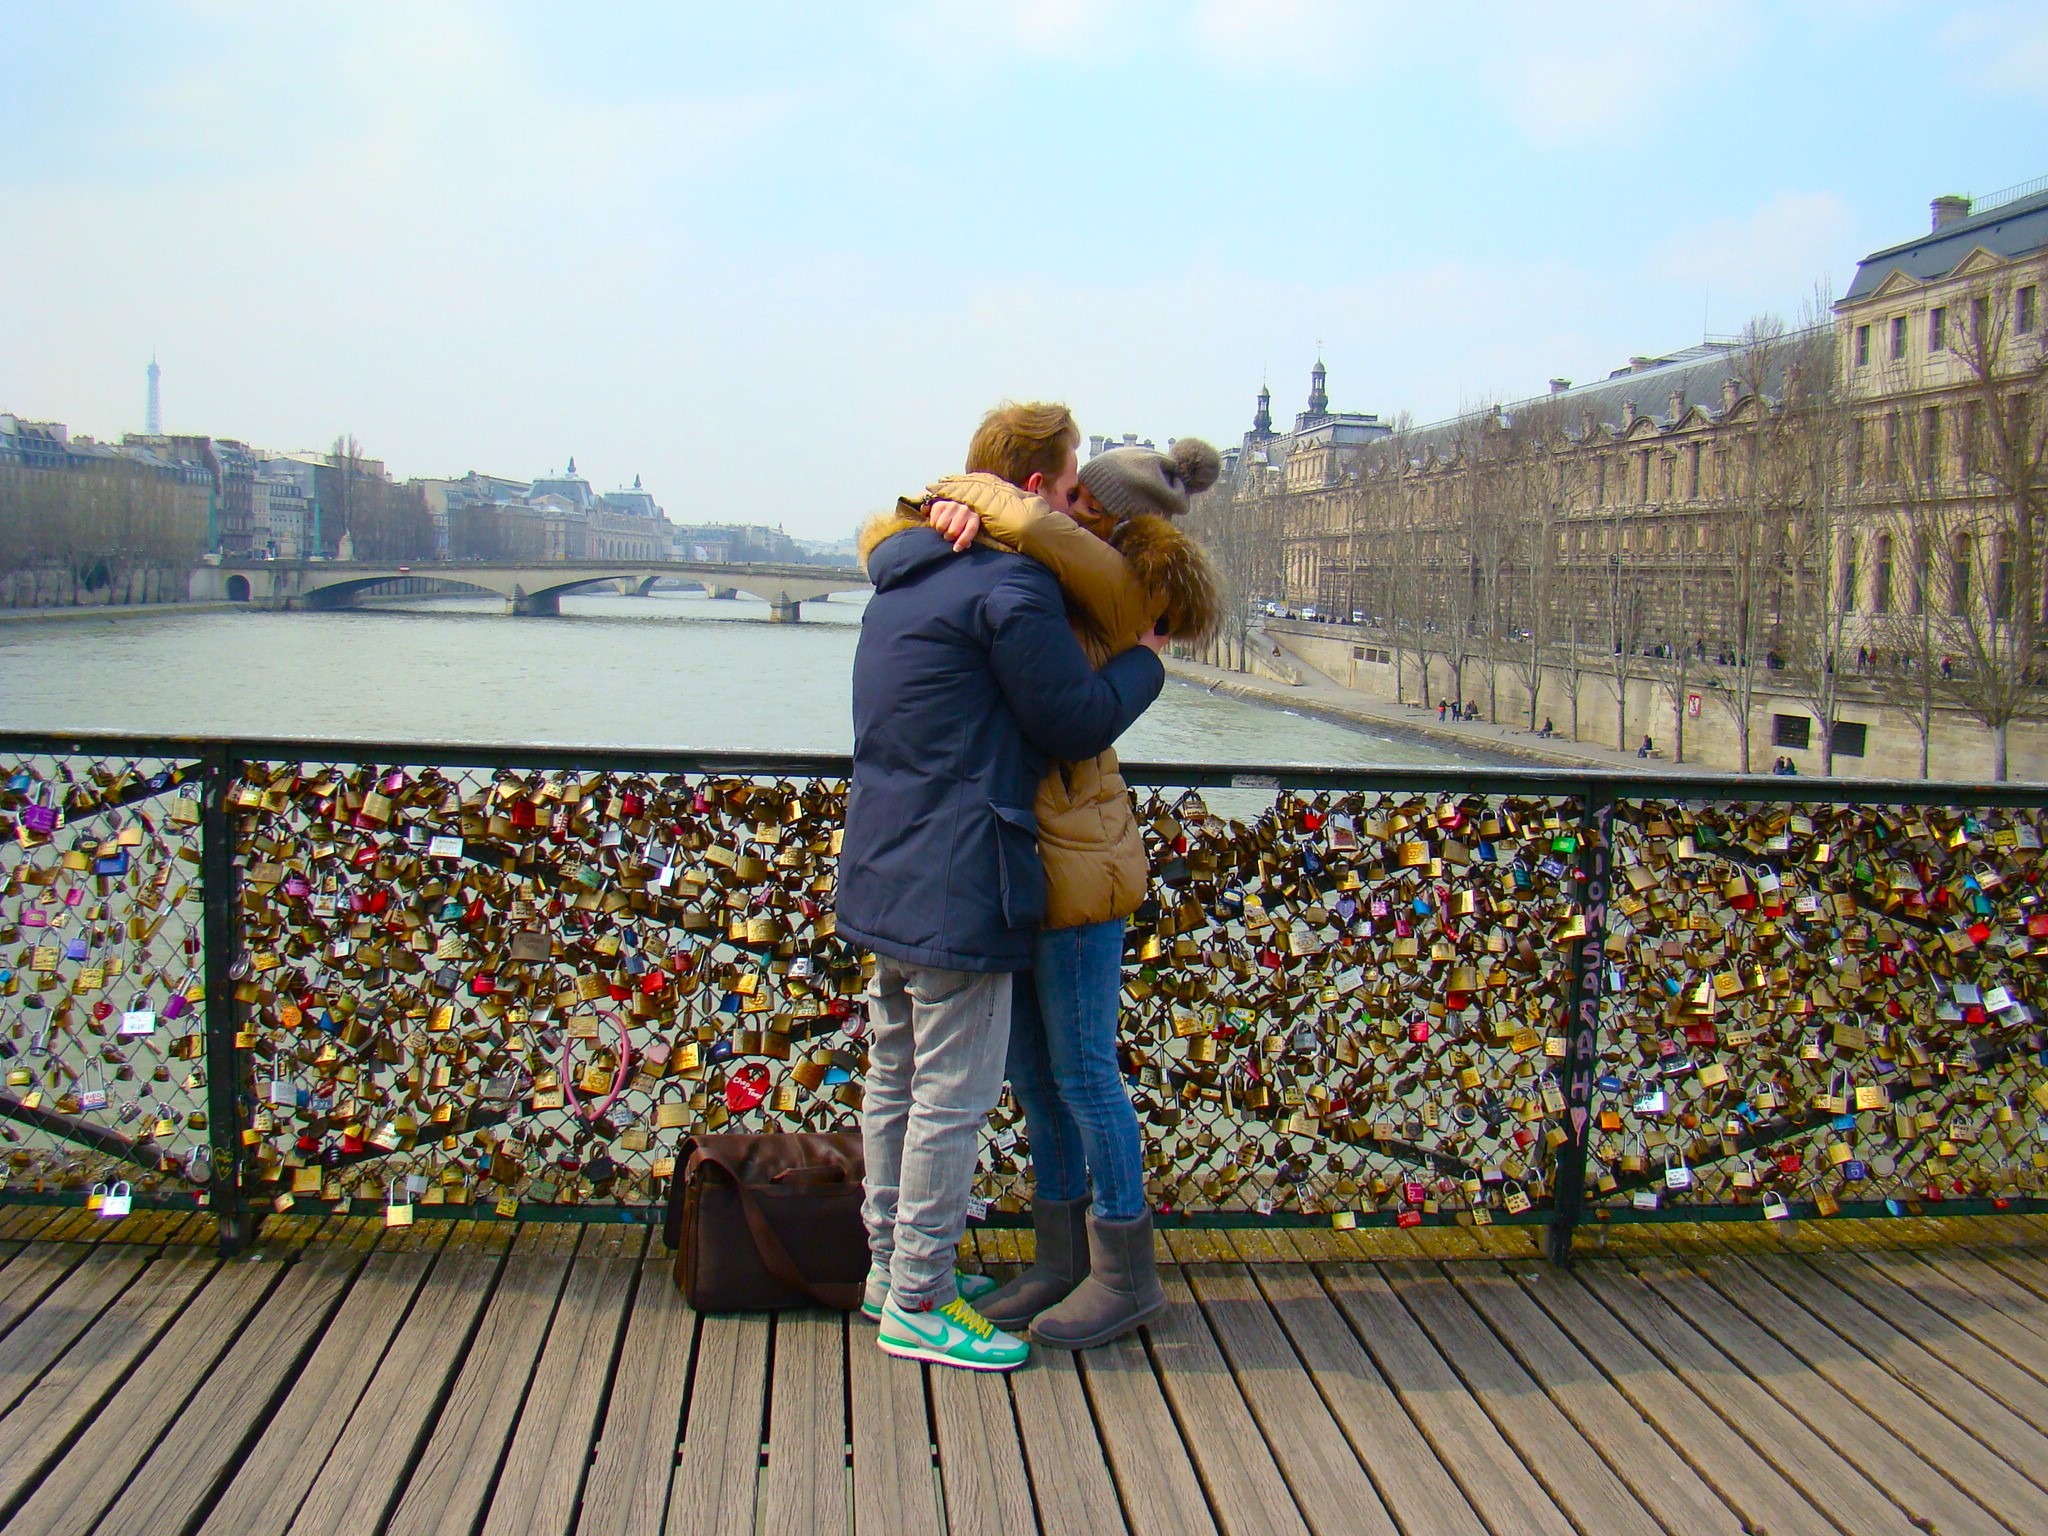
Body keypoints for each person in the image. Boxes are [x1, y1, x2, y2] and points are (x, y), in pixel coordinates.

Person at [838, 400, 1166, 1372]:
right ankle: (921, 1301)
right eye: (1069, 491)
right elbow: (1069, 722)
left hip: (882, 868)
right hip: (960, 877)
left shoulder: (899, 579)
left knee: (891, 1077)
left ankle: (886, 1267)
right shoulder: (1008, 589)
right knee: (953, 1092)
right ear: (1033, 494)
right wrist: (1146, 664)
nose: (1076, 510)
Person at [921, 437, 1221, 1349]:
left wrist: (981, 505)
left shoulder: (1116, 587)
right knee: (1032, 1075)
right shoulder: (1060, 574)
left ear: (1108, 518)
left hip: (1080, 866)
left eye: (1078, 501)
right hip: (1025, 862)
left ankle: (1125, 1275)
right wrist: (959, 511)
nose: (1061, 507)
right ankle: (1061, 1260)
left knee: (1086, 1073)